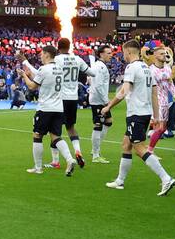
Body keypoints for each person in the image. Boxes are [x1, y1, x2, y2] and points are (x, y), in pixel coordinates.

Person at [99, 40, 175, 195]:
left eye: (123, 52)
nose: (123, 55)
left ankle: (166, 178)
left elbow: (123, 91)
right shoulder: (147, 69)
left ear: (128, 52)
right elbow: (154, 94)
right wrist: (156, 116)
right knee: (126, 144)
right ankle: (120, 181)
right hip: (145, 113)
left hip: (137, 113)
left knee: (139, 148)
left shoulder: (132, 68)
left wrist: (108, 106)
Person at [19, 46, 77, 176]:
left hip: (45, 108)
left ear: (46, 54)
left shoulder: (44, 69)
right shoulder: (60, 69)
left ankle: (38, 168)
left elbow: (32, 86)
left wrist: (24, 75)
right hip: (58, 107)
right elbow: (44, 79)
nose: (40, 56)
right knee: (56, 136)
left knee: (37, 135)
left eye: (41, 53)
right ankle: (69, 159)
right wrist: (31, 75)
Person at [53, 37, 89, 166]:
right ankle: (78, 151)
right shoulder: (77, 59)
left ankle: (56, 160)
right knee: (71, 127)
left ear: (58, 47)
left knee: (55, 129)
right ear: (69, 47)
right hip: (73, 98)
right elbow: (90, 72)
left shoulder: (56, 59)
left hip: (60, 98)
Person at [86, 45, 115, 163]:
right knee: (98, 125)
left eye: (111, 53)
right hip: (98, 100)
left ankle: (95, 149)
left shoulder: (100, 66)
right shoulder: (100, 67)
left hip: (98, 99)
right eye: (108, 53)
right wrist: (106, 101)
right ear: (101, 54)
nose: (111, 55)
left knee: (108, 122)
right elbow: (98, 85)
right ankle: (95, 154)